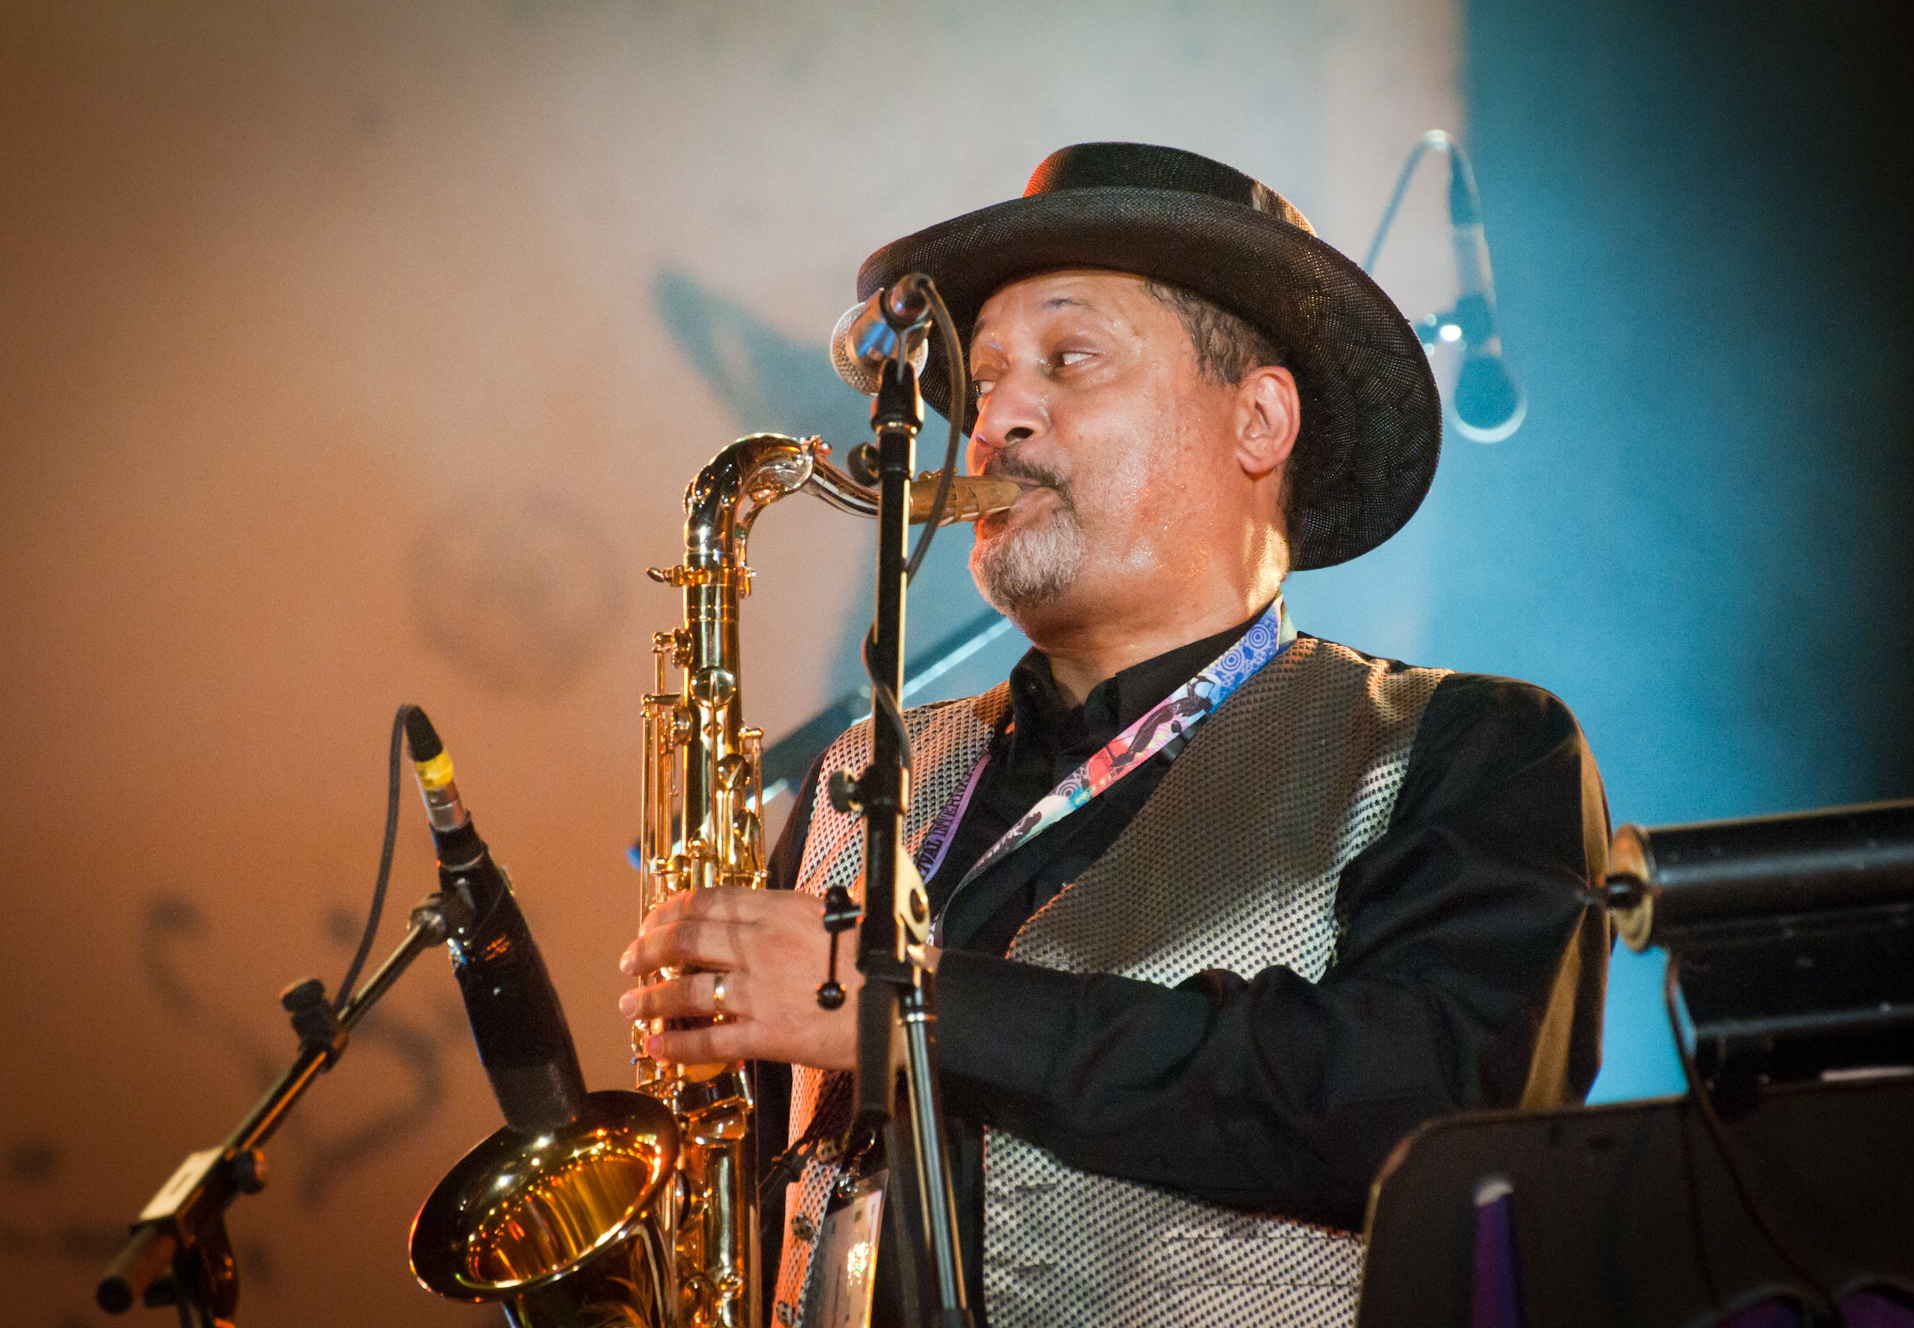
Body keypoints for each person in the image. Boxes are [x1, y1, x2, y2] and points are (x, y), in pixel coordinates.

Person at [619, 142, 1609, 1328]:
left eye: (1068, 359)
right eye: (980, 382)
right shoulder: (849, 781)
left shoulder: (1469, 745)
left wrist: (895, 1005)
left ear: (1257, 418)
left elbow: (1426, 1102)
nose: (994, 421)